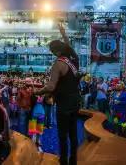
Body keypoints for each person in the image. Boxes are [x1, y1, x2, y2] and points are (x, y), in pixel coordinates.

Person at [34, 23, 80, 165]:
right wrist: (63, 32)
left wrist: (39, 91)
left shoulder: (58, 64)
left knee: (62, 134)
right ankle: (73, 159)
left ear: (55, 51)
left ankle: (63, 160)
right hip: (75, 100)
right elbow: (67, 43)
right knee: (73, 133)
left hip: (63, 103)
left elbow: (51, 86)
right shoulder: (73, 56)